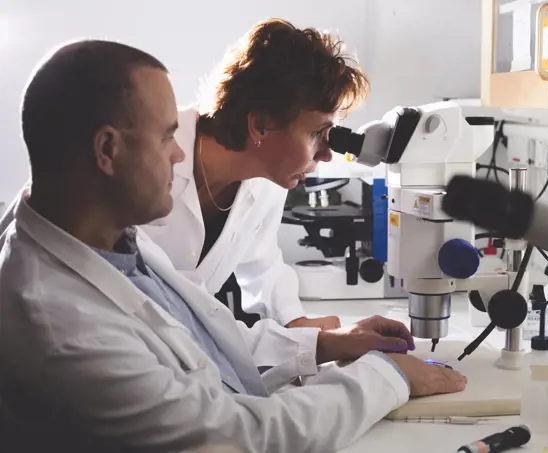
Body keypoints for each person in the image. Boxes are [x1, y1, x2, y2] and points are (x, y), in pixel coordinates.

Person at [0, 39, 467, 453]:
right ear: (108, 151)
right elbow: (236, 435)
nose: (180, 151)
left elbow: (199, 336)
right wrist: (390, 377)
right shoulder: (62, 323)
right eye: (167, 136)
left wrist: (323, 344)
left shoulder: (116, 240)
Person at [140, 18, 373, 330]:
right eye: (317, 133)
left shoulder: (266, 180)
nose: (327, 153)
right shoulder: (144, 157)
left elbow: (262, 263)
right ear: (260, 125)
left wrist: (299, 325)